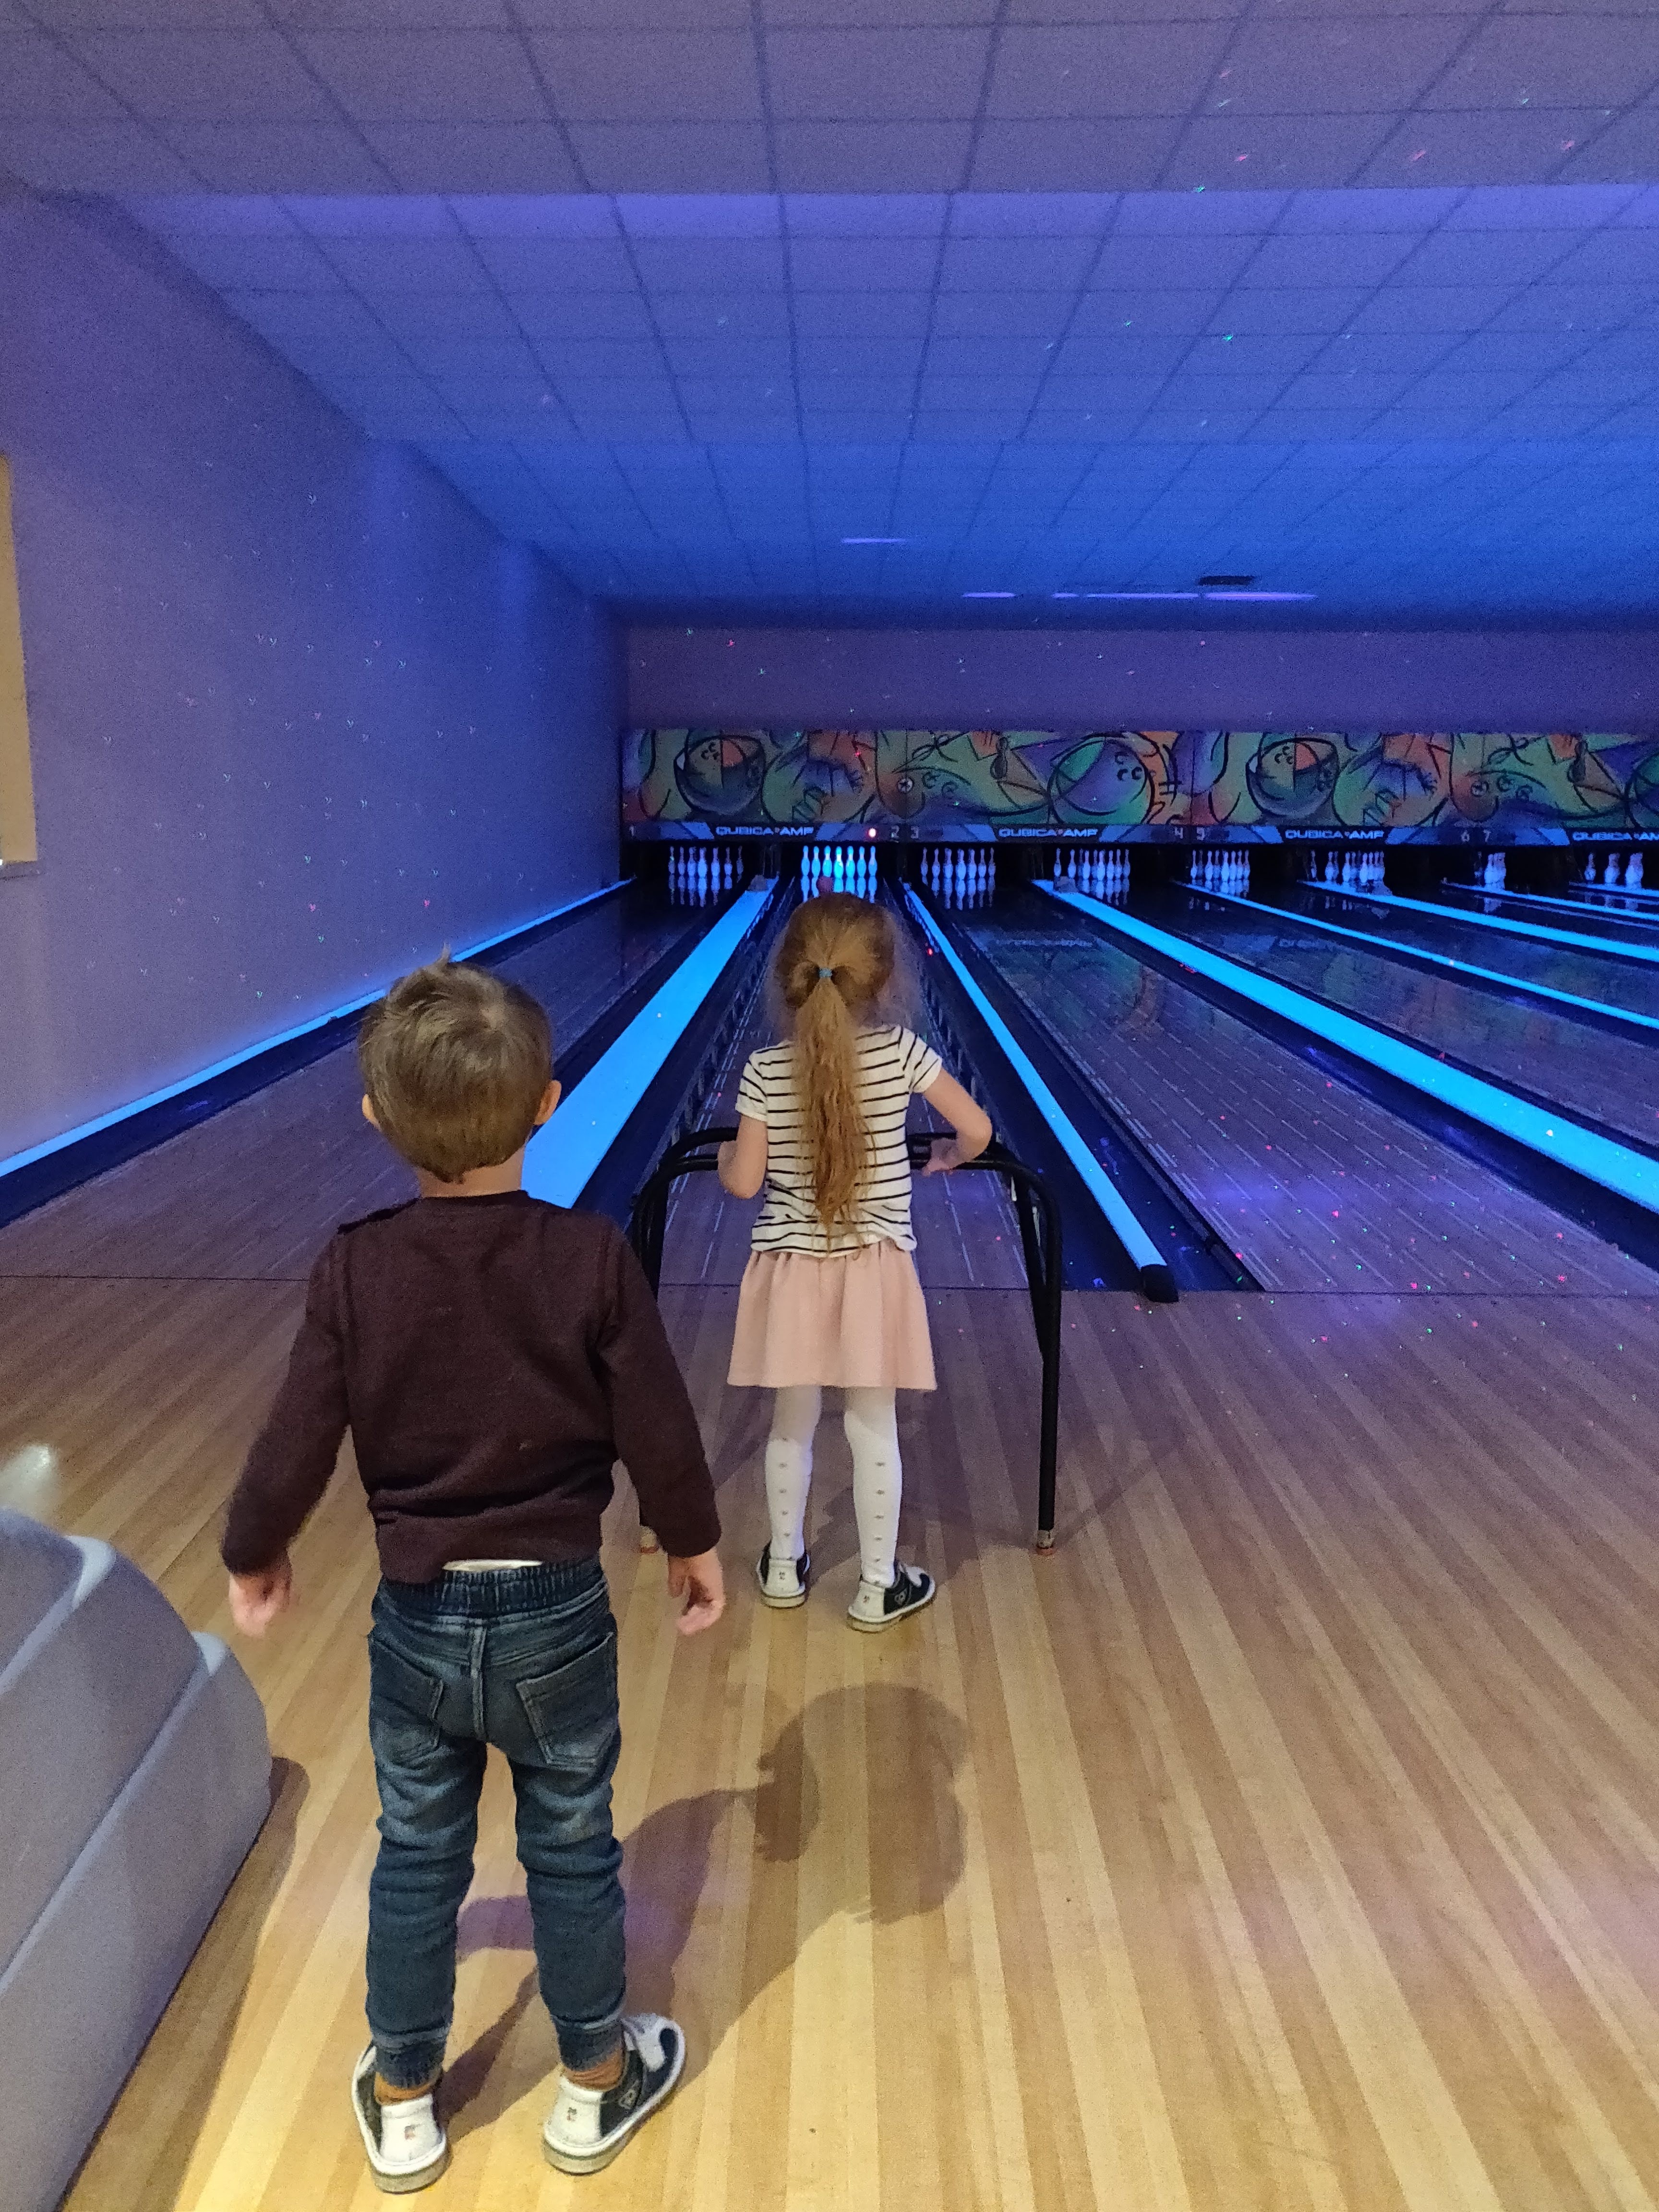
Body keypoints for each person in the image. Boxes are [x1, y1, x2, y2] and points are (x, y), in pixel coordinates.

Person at [220, 956, 724, 2193]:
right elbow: (659, 1425)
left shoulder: (355, 1267)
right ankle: (595, 2081)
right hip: (558, 1615)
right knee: (572, 1845)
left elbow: (297, 1433)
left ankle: (404, 2099)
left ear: (376, 1120)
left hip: (420, 1619)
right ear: (549, 1106)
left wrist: (255, 1545)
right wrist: (693, 1541)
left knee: (418, 1853)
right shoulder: (592, 1257)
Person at [718, 893, 992, 1629]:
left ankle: (783, 1567)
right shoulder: (902, 1053)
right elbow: (978, 1129)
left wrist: (722, 1159)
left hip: (790, 1271)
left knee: (791, 1424)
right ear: (886, 979)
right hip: (873, 1269)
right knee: (873, 1428)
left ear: (789, 975)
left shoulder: (764, 1068)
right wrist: (949, 1153)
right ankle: (877, 1587)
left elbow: (744, 1182)